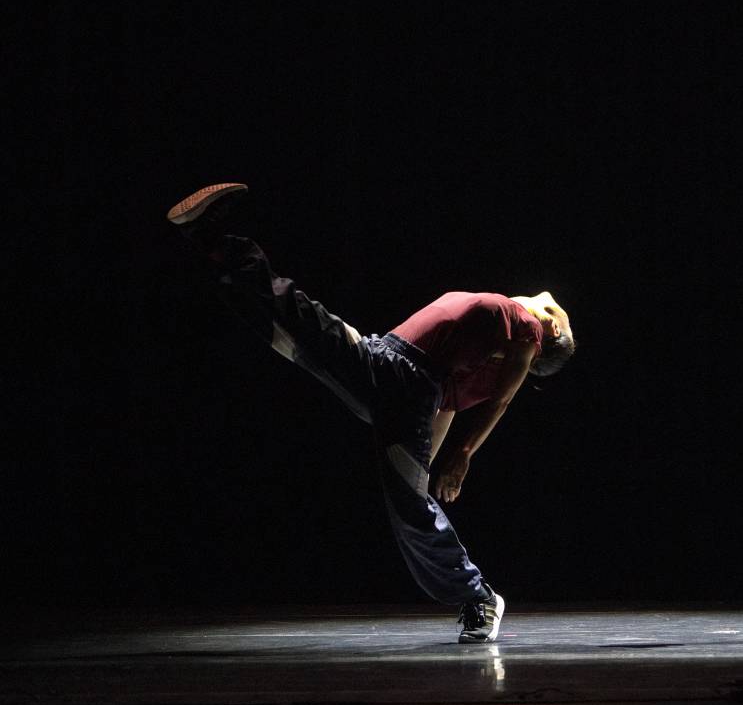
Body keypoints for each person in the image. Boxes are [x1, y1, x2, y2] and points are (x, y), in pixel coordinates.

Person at [166, 183, 576, 642]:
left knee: (408, 506)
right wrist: (431, 467)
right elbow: (448, 402)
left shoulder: (529, 332)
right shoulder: (496, 330)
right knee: (296, 326)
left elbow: (496, 398)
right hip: (386, 360)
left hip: (407, 384)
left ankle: (478, 596)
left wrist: (461, 454)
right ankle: (212, 240)